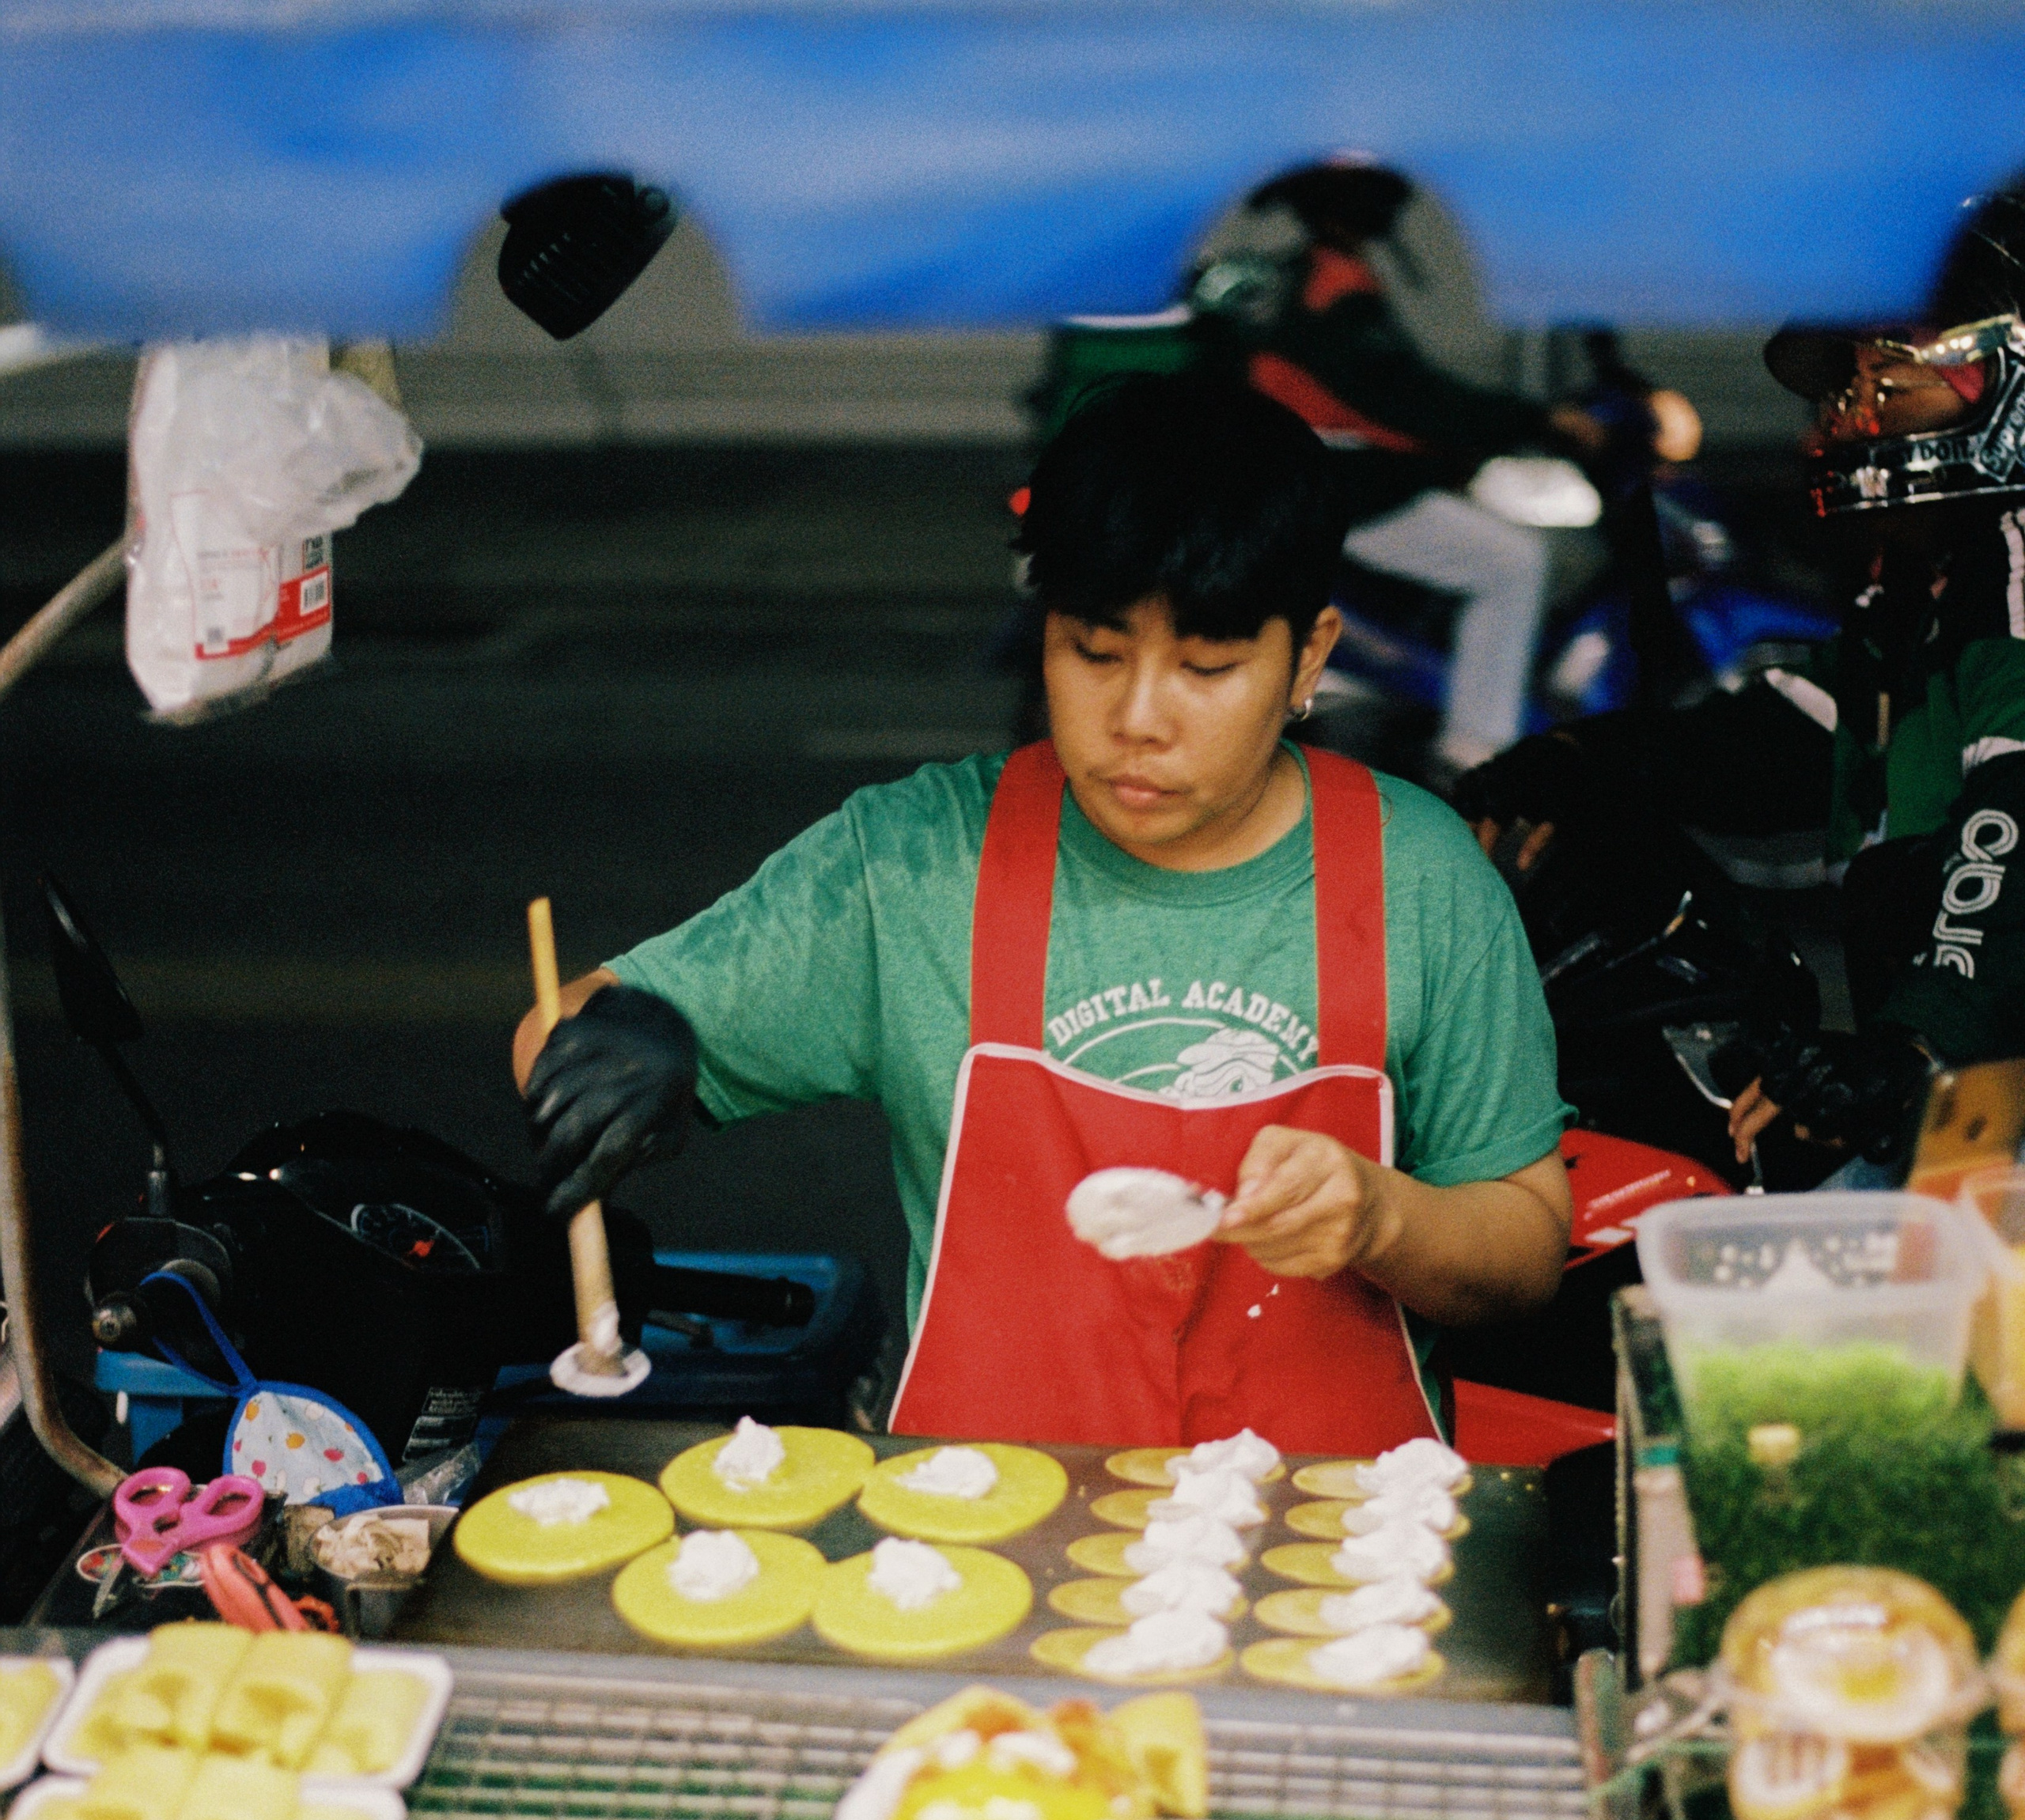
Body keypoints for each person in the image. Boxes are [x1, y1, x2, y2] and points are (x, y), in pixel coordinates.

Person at [517, 374, 1572, 1452]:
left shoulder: (1421, 877)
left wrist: (1382, 1218)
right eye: (1095, 652)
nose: (1139, 719)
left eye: (1207, 666)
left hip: (1338, 1536)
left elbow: (1527, 1250)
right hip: (977, 1531)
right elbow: (566, 1020)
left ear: (1307, 654)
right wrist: (625, 1046)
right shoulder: (916, 861)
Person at [1455, 191, 2025, 1187]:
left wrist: (1913, 1046)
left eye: (1889, 376)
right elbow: (1791, 740)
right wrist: (1572, 761)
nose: (1851, 413)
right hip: (1963, 1103)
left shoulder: (2013, 573)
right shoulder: (1923, 593)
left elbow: (2014, 821)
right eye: (1848, 384)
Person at [1190, 161, 1622, 783]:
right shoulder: (1335, 291)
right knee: (1513, 564)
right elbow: (1401, 397)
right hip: (1344, 491)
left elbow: (1367, 400)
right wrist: (1536, 419)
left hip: (1299, 478)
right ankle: (1477, 750)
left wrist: (1457, 446)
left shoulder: (1293, 280)